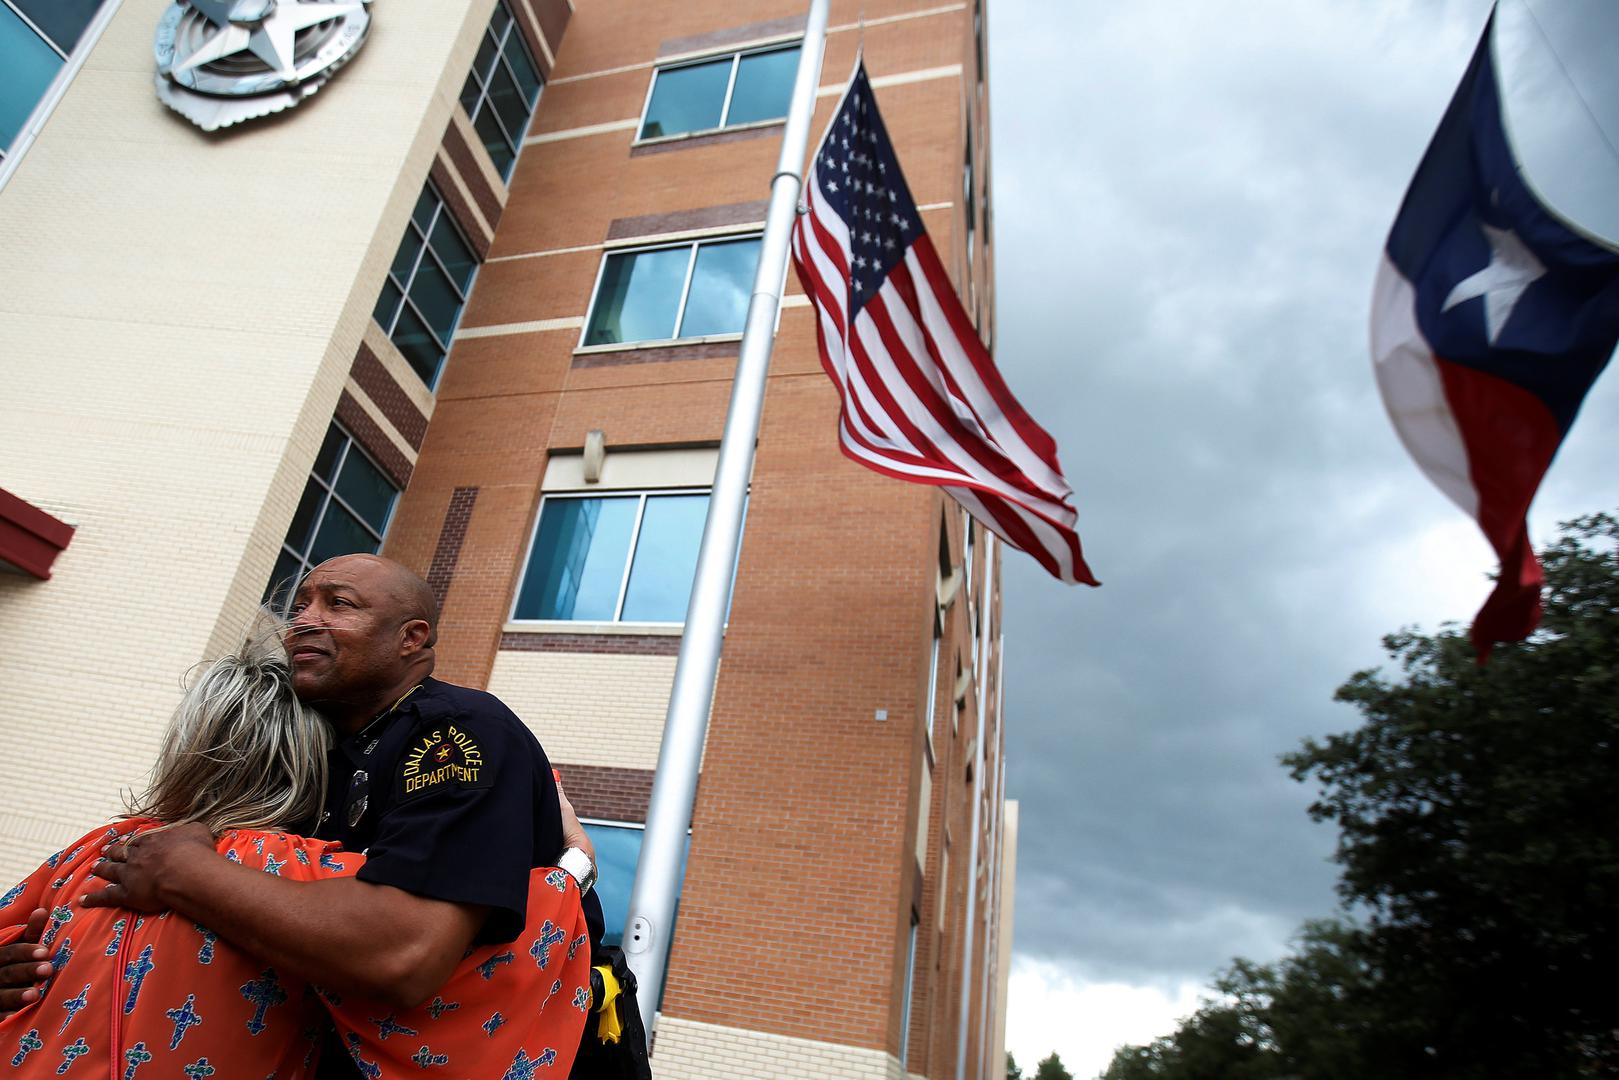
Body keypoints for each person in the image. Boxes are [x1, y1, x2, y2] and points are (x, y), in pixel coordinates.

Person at [0, 554, 609, 1078]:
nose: (304, 620)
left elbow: (405, 954)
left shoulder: (455, 730)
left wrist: (184, 872)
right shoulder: (332, 745)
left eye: (338, 604)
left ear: (412, 638)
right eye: (299, 605)